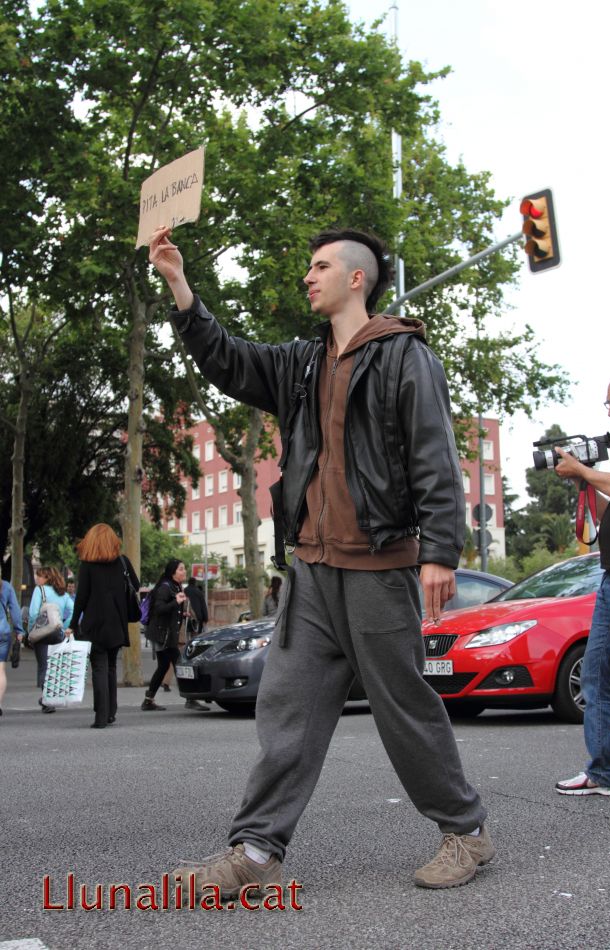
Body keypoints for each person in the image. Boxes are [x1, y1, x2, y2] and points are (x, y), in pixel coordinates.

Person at [149, 224, 492, 893]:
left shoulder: (401, 356)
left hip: (374, 568)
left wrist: (439, 550)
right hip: (310, 573)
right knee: (286, 710)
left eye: (319, 266)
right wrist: (179, 286)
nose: (307, 276)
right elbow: (227, 358)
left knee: (403, 710)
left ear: (355, 279)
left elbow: (432, 456)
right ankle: (255, 853)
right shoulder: (301, 363)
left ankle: (466, 832)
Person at [554, 368, 610, 798]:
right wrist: (584, 485)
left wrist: (584, 470)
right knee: (598, 677)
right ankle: (605, 773)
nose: (608, 411)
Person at [66, 524, 139, 729]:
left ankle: (101, 716)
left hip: (94, 624)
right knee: (112, 666)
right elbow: (136, 583)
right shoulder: (122, 562)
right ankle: (111, 713)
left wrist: (72, 625)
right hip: (117, 622)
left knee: (99, 667)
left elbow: (81, 599)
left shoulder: (88, 565)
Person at [142, 560, 208, 712]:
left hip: (165, 634)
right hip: (162, 635)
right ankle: (191, 699)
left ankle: (148, 700)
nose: (184, 572)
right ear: (173, 572)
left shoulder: (175, 586)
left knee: (164, 666)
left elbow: (169, 609)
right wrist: (175, 603)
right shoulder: (165, 587)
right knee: (180, 664)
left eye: (184, 569)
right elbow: (158, 609)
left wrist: (180, 612)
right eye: (181, 569)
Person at [28, 567, 74, 714]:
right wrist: (65, 627)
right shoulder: (64, 594)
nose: (37, 579)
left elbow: (33, 613)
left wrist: (31, 630)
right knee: (55, 665)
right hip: (57, 633)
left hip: (42, 633)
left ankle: (47, 700)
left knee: (43, 665)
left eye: (39, 576)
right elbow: (74, 610)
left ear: (47, 578)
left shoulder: (39, 590)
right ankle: (53, 696)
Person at [0, 579, 26, 717]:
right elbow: (15, 609)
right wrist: (19, 630)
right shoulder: (6, 586)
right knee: (0, 670)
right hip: (2, 631)